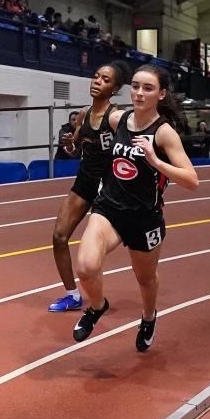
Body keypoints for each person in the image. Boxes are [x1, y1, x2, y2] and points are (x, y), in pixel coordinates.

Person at [71, 65, 199, 352]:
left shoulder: (164, 133)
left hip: (143, 217)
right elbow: (91, 119)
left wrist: (156, 161)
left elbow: (192, 180)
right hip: (108, 209)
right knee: (86, 267)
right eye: (136, 86)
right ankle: (96, 307)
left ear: (161, 94)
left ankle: (149, 317)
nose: (139, 93)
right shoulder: (119, 120)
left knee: (145, 279)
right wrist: (78, 137)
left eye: (148, 88)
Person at [47, 61, 131, 313]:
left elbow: (129, 153)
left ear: (115, 89)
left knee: (94, 251)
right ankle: (72, 295)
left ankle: (97, 298)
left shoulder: (116, 118)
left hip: (108, 188)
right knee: (59, 237)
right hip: (84, 182)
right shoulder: (83, 115)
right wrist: (68, 145)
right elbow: (74, 149)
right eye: (96, 76)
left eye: (105, 79)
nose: (97, 81)